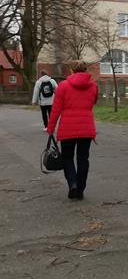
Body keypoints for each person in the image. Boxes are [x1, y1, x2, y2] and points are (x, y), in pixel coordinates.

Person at [47, 60, 99, 201]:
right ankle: (80, 189)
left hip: (67, 129)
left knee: (67, 157)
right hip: (86, 127)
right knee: (83, 158)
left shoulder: (63, 86)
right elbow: (93, 102)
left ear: (71, 70)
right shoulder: (93, 86)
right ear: (85, 70)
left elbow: (55, 109)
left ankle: (73, 184)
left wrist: (50, 128)